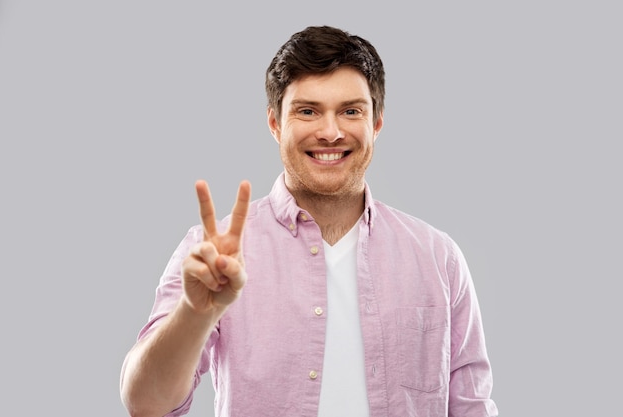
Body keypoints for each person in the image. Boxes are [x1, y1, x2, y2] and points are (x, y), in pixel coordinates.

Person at [120, 25, 498, 417]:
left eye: (351, 111)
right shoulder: (213, 254)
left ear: (377, 124)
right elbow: (145, 403)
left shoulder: (439, 258)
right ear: (275, 124)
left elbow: (471, 408)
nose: (331, 132)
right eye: (307, 111)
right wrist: (194, 313)